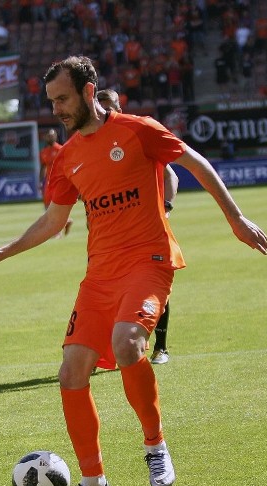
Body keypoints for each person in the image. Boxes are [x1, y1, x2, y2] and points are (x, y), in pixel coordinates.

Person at [0, 56, 267, 486]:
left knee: (128, 344)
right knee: (70, 373)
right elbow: (52, 221)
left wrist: (236, 219)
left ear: (88, 92)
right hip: (99, 276)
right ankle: (93, 482)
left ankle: (155, 447)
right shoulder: (66, 158)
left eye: (63, 99)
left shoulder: (137, 129)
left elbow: (195, 162)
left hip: (149, 261)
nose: (57, 109)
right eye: (51, 101)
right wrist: (3, 252)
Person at [96, 88, 176, 366]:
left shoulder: (137, 131)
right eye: (101, 106)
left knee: (152, 289)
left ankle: (161, 347)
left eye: (110, 106)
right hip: (112, 235)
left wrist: (166, 206)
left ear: (119, 106)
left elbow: (171, 174)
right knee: (114, 291)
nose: (105, 112)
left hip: (147, 231)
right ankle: (110, 352)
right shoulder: (92, 141)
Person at [38, 128, 72, 237]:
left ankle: (56, 232)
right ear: (45, 137)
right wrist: (40, 182)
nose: (50, 137)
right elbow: (42, 167)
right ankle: (66, 222)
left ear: (56, 136)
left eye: (52, 135)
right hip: (48, 182)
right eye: (48, 136)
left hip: (59, 181)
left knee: (57, 205)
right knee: (47, 206)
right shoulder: (43, 152)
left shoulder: (60, 149)